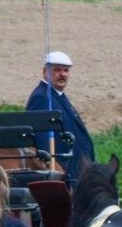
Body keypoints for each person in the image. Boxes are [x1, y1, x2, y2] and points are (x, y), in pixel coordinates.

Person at [25, 50, 94, 182]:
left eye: (66, 70)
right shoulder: (42, 97)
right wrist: (56, 171)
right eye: (57, 70)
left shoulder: (56, 94)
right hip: (63, 173)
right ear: (45, 72)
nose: (63, 74)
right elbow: (42, 141)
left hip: (76, 171)